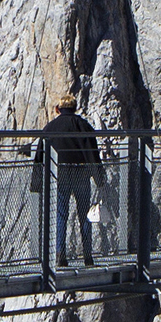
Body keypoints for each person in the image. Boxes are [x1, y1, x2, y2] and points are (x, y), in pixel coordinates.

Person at [39, 95, 102, 264]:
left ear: (58, 109)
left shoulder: (50, 127)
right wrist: (99, 179)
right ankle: (87, 255)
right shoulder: (83, 125)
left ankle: (61, 254)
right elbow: (92, 152)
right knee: (85, 214)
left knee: (61, 214)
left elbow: (40, 153)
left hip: (59, 174)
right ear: (75, 108)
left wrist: (36, 182)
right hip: (81, 172)